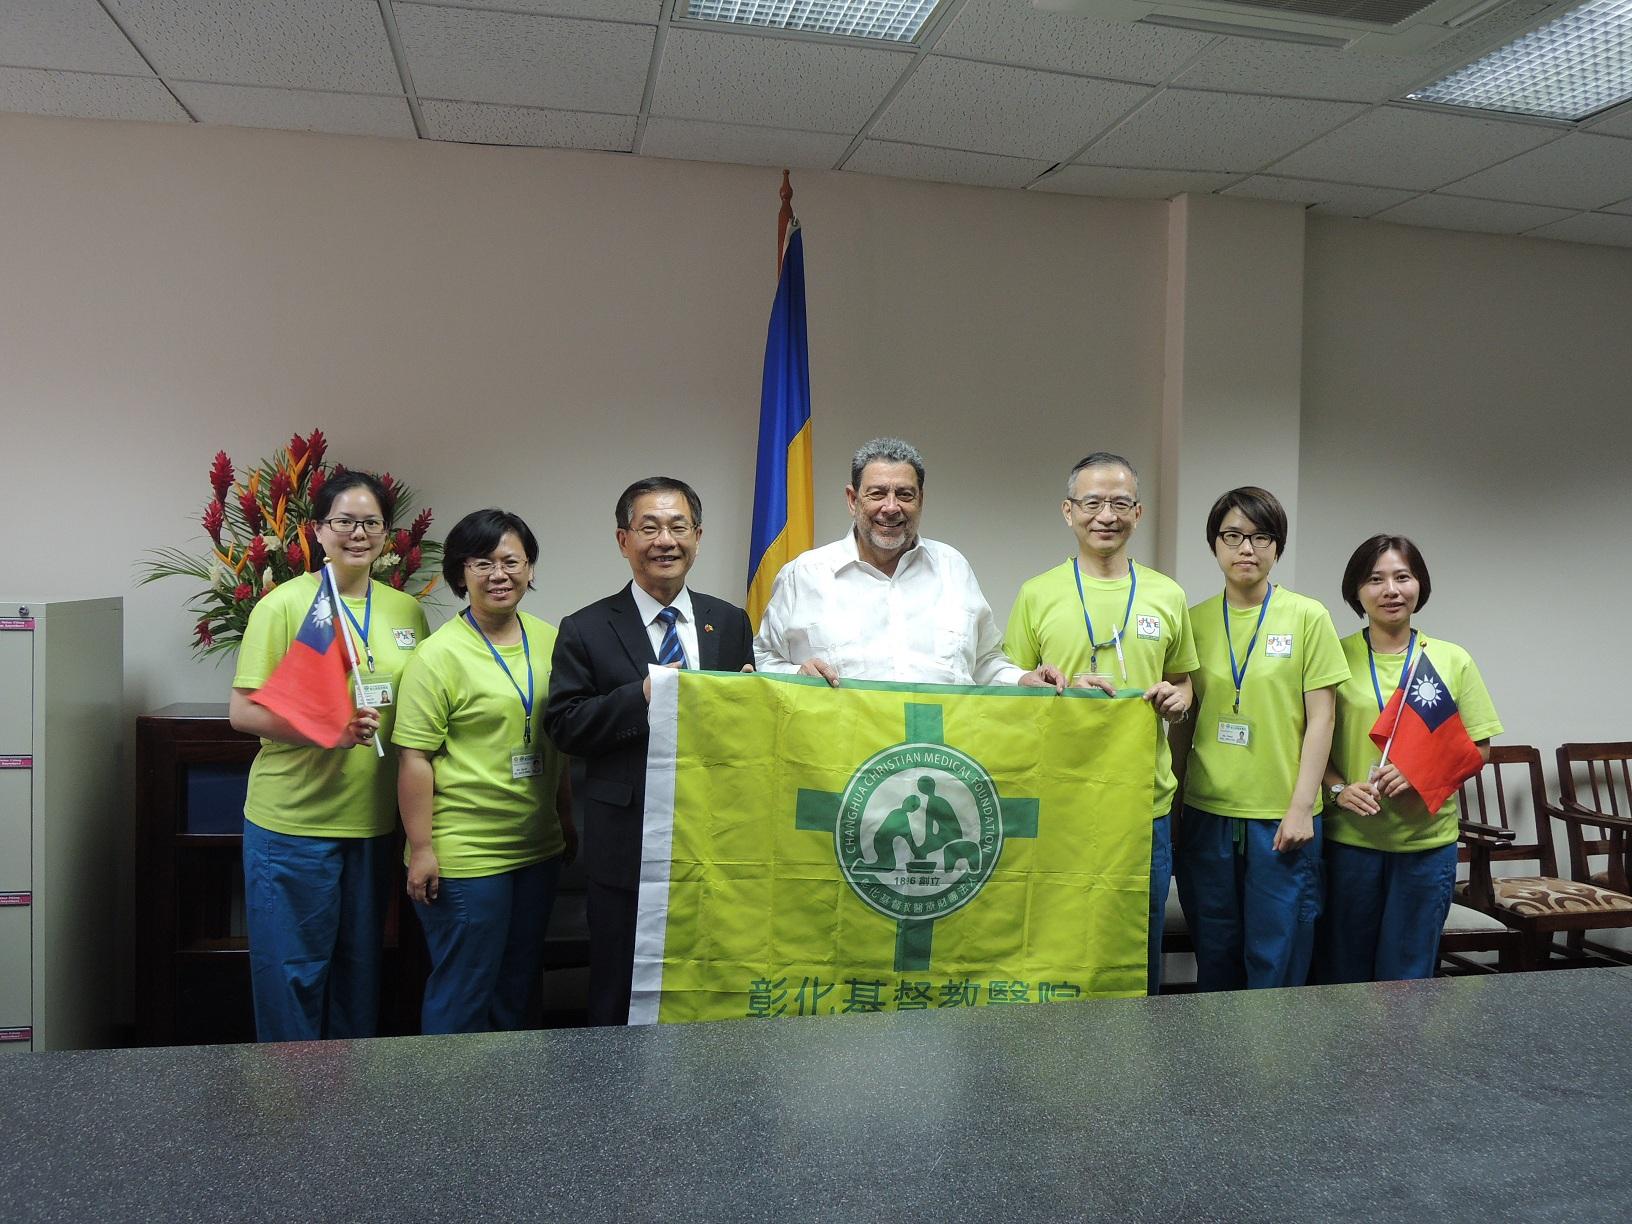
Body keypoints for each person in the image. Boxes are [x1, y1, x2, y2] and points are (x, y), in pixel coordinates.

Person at [543, 478, 754, 1026]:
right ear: (623, 539)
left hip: (716, 839)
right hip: (627, 840)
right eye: (649, 528)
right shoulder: (586, 627)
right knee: (619, 984)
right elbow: (564, 726)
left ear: (698, 537)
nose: (665, 540)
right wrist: (641, 695)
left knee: (708, 983)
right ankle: (611, 1106)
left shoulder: (729, 621)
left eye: (678, 527)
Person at [229, 470, 429, 1042]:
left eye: (370, 523)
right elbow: (242, 713)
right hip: (293, 823)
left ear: (387, 535)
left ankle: (345, 1112)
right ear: (319, 531)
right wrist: (327, 731)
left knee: (358, 972)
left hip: (370, 824)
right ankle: (291, 1109)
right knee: (293, 972)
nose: (357, 533)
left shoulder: (406, 613)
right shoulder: (285, 605)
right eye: (344, 521)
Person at [1004, 452, 1196, 995]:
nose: (1105, 515)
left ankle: (1137, 1061)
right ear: (1068, 512)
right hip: (1058, 799)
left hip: (1143, 803)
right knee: (1051, 941)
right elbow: (1008, 683)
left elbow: (1184, 681)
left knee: (1136, 948)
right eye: (1092, 503)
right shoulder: (1037, 593)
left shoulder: (1167, 594)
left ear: (1138, 512)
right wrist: (1036, 681)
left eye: (1119, 503)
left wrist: (1176, 699)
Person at [392, 509, 576, 1034]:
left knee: (519, 986)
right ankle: (450, 1109)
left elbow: (554, 737)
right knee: (465, 989)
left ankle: (512, 1106)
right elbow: (414, 759)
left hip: (536, 849)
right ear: (460, 574)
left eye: (511, 561)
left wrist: (566, 817)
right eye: (482, 563)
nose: (500, 574)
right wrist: (422, 849)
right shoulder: (437, 656)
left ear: (531, 569)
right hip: (465, 855)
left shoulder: (551, 639)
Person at [1171, 486, 1348, 991]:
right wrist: (1180, 805)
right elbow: (1187, 721)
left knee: (1277, 957)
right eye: (1233, 536)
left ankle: (1275, 1069)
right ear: (1214, 545)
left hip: (1281, 817)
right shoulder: (1194, 620)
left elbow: (1322, 719)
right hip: (1209, 813)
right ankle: (1218, 1068)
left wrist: (1300, 806)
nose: (1246, 549)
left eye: (1260, 536)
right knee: (1216, 953)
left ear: (1277, 546)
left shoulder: (1307, 616)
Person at [1314, 535, 1501, 984]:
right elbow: (1306, 744)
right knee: (1343, 971)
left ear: (1420, 585)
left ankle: (1403, 1057)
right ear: (1356, 591)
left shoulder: (1450, 659)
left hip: (1425, 846)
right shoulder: (1333, 655)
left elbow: (1479, 747)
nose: (1390, 590)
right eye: (1375, 580)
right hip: (1350, 843)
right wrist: (1338, 789)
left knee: (1409, 976)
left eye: (1402, 577)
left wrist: (1422, 775)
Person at [754, 436, 1062, 690]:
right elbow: (762, 659)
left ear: (921, 500)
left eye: (904, 495)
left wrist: (1023, 678)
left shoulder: (953, 568)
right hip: (839, 759)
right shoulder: (804, 574)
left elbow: (984, 662)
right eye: (877, 494)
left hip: (940, 757)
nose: (891, 507)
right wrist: (797, 675)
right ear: (852, 499)